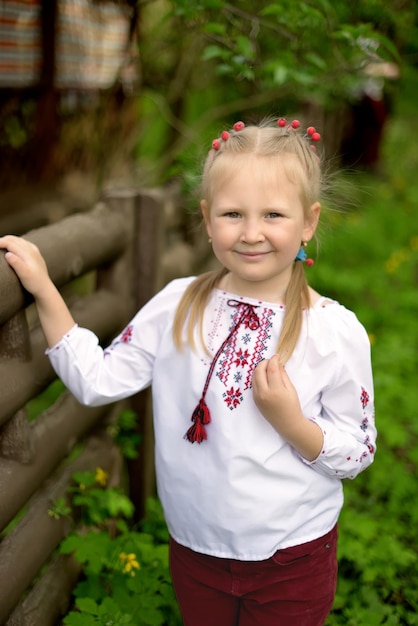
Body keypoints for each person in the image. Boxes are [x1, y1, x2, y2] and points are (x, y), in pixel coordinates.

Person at [0, 117, 376, 626]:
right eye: (232, 213)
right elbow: (97, 380)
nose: (251, 233)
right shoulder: (178, 305)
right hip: (195, 551)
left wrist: (293, 424)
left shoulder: (332, 331)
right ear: (206, 218)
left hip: (292, 556)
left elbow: (357, 451)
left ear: (308, 222)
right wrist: (45, 289)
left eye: (273, 214)